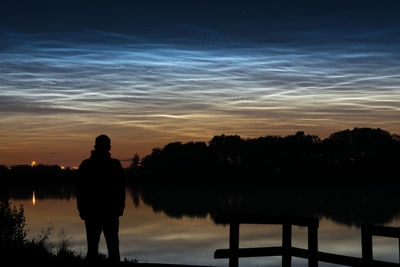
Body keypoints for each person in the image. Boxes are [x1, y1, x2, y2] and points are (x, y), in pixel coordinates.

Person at [76, 135, 126, 262]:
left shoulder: (86, 165)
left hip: (97, 212)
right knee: (111, 249)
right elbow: (121, 188)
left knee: (96, 249)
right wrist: (119, 208)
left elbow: (80, 190)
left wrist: (81, 209)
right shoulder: (114, 165)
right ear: (109, 147)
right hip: (104, 212)